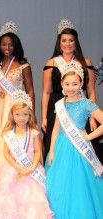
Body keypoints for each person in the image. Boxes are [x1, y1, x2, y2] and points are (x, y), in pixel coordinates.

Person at [46, 62, 103, 219]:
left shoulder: (86, 103)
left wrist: (88, 136)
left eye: (75, 84)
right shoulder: (60, 105)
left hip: (80, 151)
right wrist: (51, 151)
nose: (71, 87)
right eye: (67, 84)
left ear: (81, 84)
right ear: (62, 84)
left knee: (79, 187)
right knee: (59, 187)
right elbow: (56, 130)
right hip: (61, 148)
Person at [0, 90, 53, 219]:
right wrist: (19, 168)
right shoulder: (8, 133)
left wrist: (31, 167)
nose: (21, 117)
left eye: (25, 114)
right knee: (9, 199)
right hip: (12, 169)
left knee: (32, 199)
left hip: (31, 168)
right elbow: (6, 153)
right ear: (12, 115)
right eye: (18, 114)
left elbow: (38, 152)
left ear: (30, 115)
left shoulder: (34, 132)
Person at [0, 21, 35, 168]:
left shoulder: (23, 65)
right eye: (4, 44)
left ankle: (15, 167)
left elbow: (30, 90)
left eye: (11, 44)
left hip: (16, 106)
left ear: (16, 46)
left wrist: (31, 111)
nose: (7, 47)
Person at [42, 19, 96, 158]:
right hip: (57, 107)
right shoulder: (52, 62)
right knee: (56, 144)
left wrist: (92, 117)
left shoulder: (86, 62)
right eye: (64, 40)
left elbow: (91, 91)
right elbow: (46, 92)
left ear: (76, 43)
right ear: (59, 43)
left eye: (71, 40)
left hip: (80, 106)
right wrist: (44, 117)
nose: (67, 44)